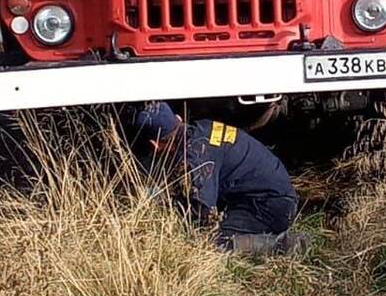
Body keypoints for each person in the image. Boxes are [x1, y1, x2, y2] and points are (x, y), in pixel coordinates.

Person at [125, 101, 306, 255]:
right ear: (178, 119)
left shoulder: (196, 159)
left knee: (208, 242)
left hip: (270, 207)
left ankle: (281, 245)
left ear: (155, 145)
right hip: (275, 194)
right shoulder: (203, 129)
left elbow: (202, 215)